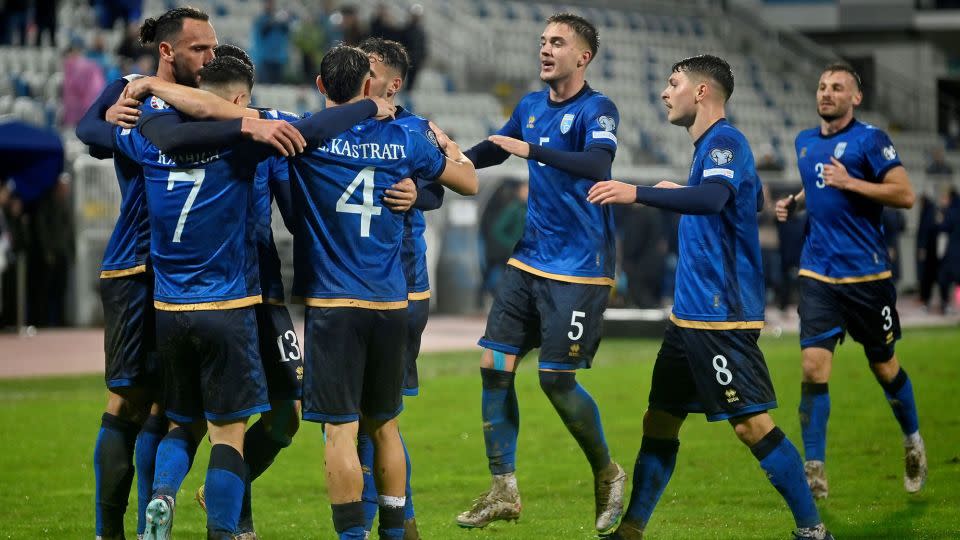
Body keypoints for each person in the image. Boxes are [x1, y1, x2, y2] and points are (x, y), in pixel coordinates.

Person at [587, 54, 833, 540]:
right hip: (688, 318)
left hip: (721, 315)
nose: (664, 92)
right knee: (659, 420)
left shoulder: (724, 141)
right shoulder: (711, 150)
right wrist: (683, 187)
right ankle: (631, 530)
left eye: (673, 82)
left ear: (701, 92)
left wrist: (637, 192)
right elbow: (748, 197)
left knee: (750, 425)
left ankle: (813, 531)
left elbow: (713, 200)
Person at [288, 44, 478, 540]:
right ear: (370, 88)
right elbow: (469, 180)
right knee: (386, 424)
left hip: (334, 302)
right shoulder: (410, 135)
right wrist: (439, 152)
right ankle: (398, 530)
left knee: (340, 430)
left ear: (323, 86)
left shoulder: (304, 137)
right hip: (394, 300)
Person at [455, 13, 625, 534]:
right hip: (528, 259)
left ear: (583, 56)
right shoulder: (529, 107)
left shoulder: (598, 109)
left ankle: (608, 472)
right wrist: (441, 160)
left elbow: (598, 165)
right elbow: (490, 151)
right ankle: (503, 488)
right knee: (493, 365)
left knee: (555, 380)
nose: (546, 49)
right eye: (543, 41)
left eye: (558, 42)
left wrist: (531, 151)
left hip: (579, 268)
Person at [73, 8, 218, 539]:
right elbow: (86, 126)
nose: (209, 57)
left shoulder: (208, 99)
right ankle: (107, 531)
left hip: (191, 273)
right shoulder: (131, 90)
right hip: (138, 264)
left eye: (213, 47)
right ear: (167, 51)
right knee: (129, 400)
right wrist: (109, 118)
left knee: (175, 404)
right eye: (199, 48)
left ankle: (147, 524)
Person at [775, 62, 924, 500]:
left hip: (868, 276)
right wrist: (796, 203)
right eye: (822, 86)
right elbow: (819, 184)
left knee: (884, 365)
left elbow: (905, 195)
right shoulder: (804, 142)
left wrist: (853, 182)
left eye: (837, 88)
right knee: (813, 366)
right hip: (819, 272)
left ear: (855, 97)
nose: (826, 93)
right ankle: (815, 468)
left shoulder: (870, 140)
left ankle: (912, 439)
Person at [354, 36, 446, 539]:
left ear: (394, 82)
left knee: (374, 416)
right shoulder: (338, 124)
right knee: (370, 415)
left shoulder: (417, 131)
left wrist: (420, 192)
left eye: (369, 68)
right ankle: (400, 521)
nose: (360, 75)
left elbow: (451, 181)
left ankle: (386, 523)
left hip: (402, 287)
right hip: (353, 286)